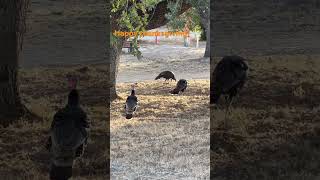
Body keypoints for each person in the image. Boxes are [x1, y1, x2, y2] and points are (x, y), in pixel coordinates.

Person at [46, 89, 89, 180]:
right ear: (78, 100)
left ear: (68, 100)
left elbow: (52, 131)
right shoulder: (81, 114)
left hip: (56, 156)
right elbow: (85, 135)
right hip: (70, 158)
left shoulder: (60, 113)